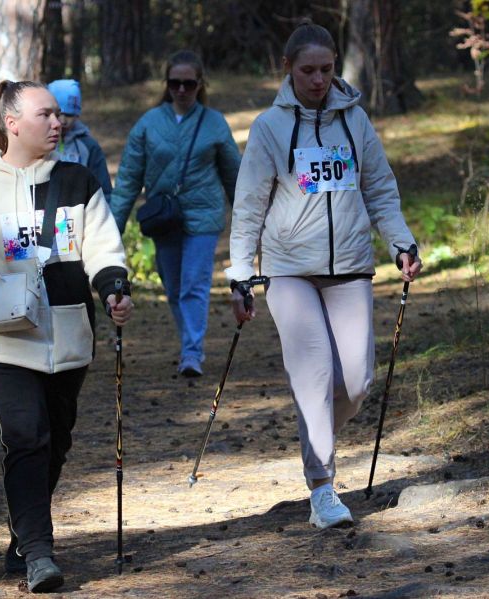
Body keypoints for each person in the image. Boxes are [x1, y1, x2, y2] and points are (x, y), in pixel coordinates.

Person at [0, 80, 133, 593]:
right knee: (26, 437)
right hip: (0, 339)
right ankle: (40, 553)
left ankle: (22, 539)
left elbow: (104, 246)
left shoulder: (77, 181)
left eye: (59, 115)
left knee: (55, 442)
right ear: (12, 122)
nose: (57, 123)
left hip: (68, 337)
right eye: (45, 115)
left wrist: (114, 289)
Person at [226, 22, 422, 530]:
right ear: (287, 69)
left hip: (351, 266)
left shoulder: (356, 122)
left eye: (326, 69)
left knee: (355, 382)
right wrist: (241, 273)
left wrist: (401, 241)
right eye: (308, 70)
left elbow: (380, 188)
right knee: (313, 376)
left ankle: (317, 440)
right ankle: (322, 487)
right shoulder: (270, 127)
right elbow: (249, 204)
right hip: (289, 271)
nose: (318, 80)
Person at [111, 50, 241, 377]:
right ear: (166, 84)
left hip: (203, 217)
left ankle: (192, 353)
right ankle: (189, 342)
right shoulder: (148, 124)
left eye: (188, 84)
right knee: (173, 286)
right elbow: (128, 179)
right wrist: (112, 228)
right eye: (174, 83)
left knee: (194, 285)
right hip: (164, 219)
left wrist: (250, 220)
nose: (181, 90)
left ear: (200, 84)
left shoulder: (214, 123)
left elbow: (234, 175)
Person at [46, 78, 113, 202]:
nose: (64, 121)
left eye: (70, 115)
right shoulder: (38, 143)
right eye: (59, 114)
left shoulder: (88, 146)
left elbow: (104, 189)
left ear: (78, 114)